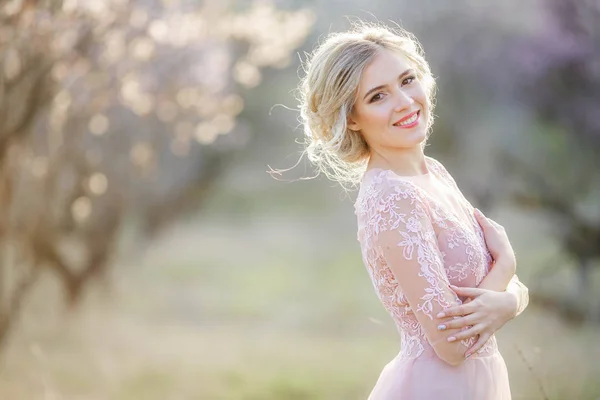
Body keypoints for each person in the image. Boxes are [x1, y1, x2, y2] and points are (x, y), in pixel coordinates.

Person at [294, 21, 530, 399]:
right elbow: (452, 345)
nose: (405, 102)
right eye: (377, 96)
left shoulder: (434, 172)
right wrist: (506, 272)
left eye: (407, 80)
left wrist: (512, 299)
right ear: (351, 117)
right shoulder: (391, 197)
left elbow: (497, 297)